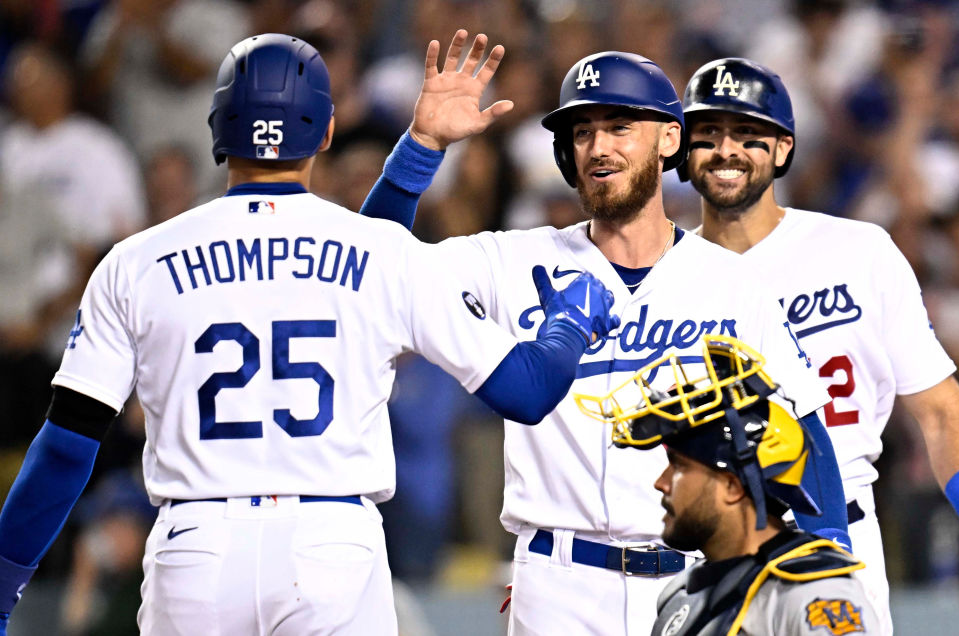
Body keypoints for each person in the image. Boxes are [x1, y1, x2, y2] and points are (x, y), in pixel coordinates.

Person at [0, 33, 621, 636]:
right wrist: (569, 322)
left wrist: (2, 585)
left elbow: (64, 451)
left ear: (217, 129)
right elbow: (527, 391)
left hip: (197, 550)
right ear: (325, 130)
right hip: (330, 547)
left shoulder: (135, 261)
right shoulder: (381, 254)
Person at [360, 32, 850, 635]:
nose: (597, 147)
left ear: (669, 139)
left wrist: (830, 570)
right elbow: (372, 269)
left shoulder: (733, 283)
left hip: (693, 576)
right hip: (557, 579)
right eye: (583, 131)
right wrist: (423, 146)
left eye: (619, 127)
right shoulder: (510, 260)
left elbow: (804, 427)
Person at [676, 57, 959, 631]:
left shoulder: (858, 252)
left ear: (783, 148)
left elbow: (939, 409)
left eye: (748, 135)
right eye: (707, 135)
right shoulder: (661, 272)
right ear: (681, 150)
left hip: (837, 538)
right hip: (703, 551)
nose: (726, 150)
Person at [587, 334, 879, 635]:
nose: (661, 483)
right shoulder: (681, 595)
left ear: (732, 486)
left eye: (679, 466)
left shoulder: (816, 593)